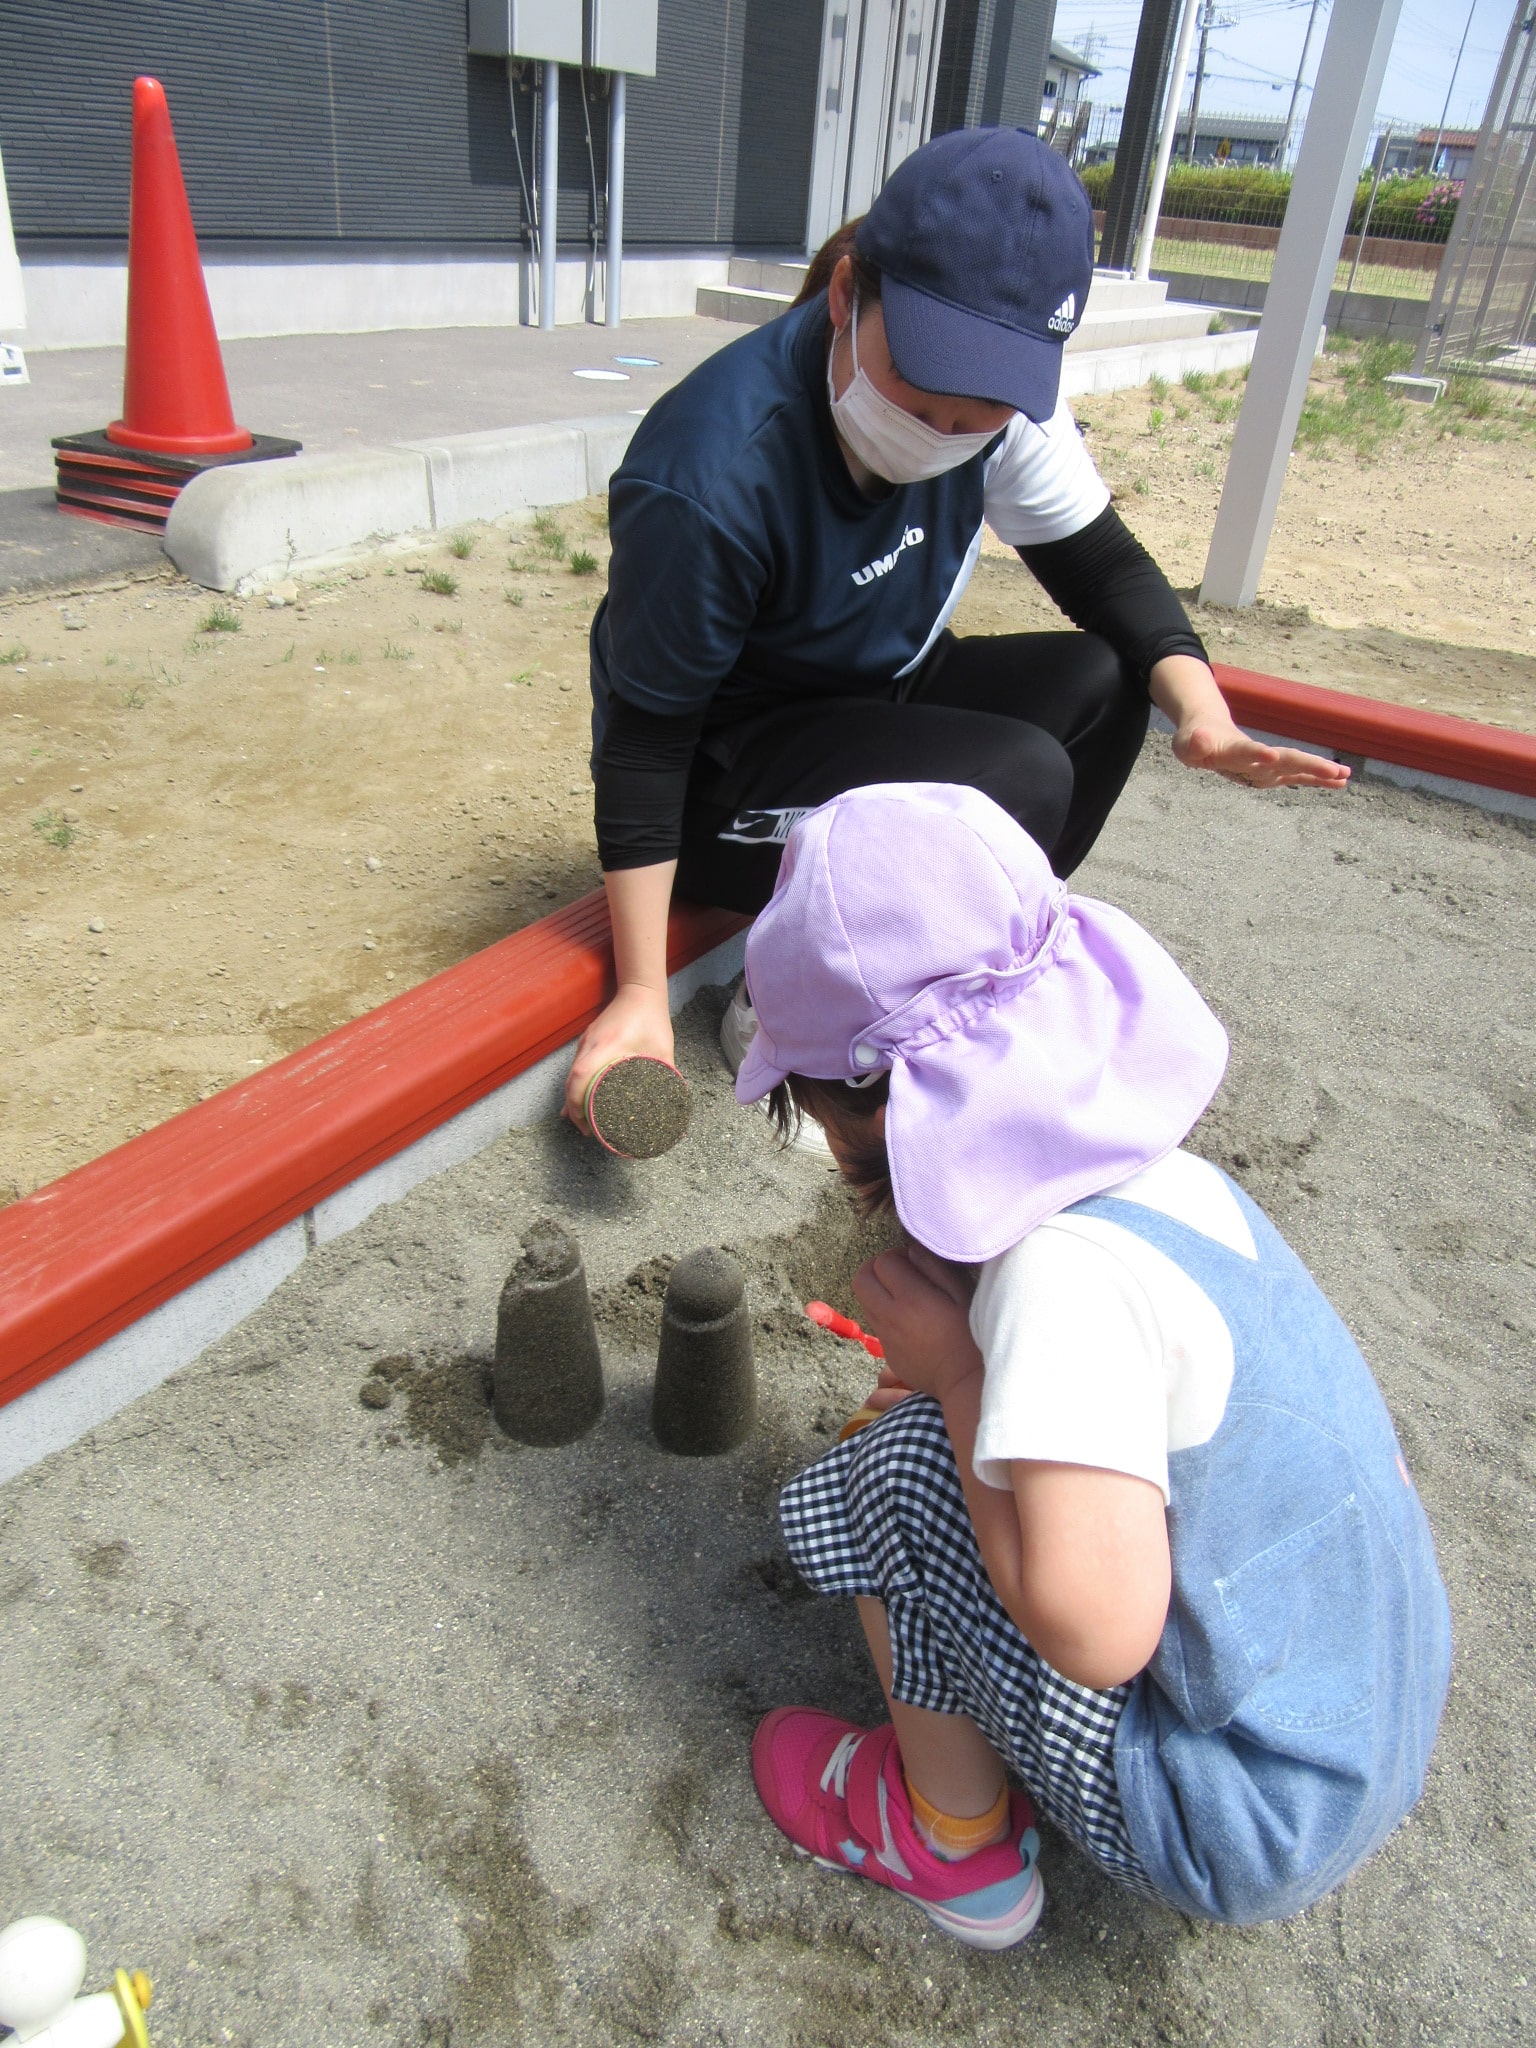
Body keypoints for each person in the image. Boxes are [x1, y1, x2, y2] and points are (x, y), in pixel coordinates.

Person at [732, 781, 1450, 1948]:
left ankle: (949, 1842)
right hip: (1365, 1709)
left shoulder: (1056, 1283)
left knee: (898, 1479)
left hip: (1245, 1812)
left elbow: (1096, 1628)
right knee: (937, 1445)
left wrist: (961, 1383)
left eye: (864, 1168)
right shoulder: (1177, 1184)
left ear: (900, 1115)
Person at [564, 126, 1346, 1131]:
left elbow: (1103, 570)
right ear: (848, 297)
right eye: (920, 395)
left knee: (1105, 683)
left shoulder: (1003, 411)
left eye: (974, 414)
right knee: (1018, 774)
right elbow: (645, 741)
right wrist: (638, 991)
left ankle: (953, 983)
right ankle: (800, 1013)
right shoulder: (710, 475)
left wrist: (1203, 713)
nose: (942, 432)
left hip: (864, 703)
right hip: (725, 776)